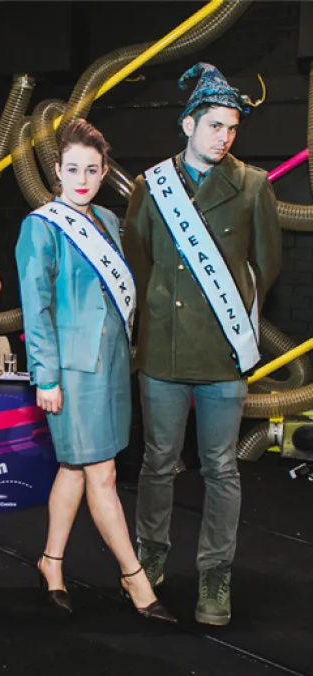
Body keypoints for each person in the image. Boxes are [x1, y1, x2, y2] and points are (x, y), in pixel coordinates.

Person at [123, 62, 280, 626]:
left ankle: (216, 574)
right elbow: (138, 261)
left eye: (232, 127)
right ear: (187, 124)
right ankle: (151, 557)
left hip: (222, 356)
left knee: (221, 467)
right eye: (214, 125)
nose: (224, 136)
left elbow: (266, 264)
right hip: (162, 351)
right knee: (158, 463)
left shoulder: (254, 186)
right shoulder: (150, 185)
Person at [16, 119, 176, 623]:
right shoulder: (41, 226)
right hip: (70, 370)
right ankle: (136, 580)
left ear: (104, 172)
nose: (81, 178)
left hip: (110, 367)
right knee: (101, 473)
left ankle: (52, 563)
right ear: (57, 172)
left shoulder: (108, 219)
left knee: (75, 467)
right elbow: (35, 307)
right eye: (72, 169)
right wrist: (45, 377)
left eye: (91, 169)